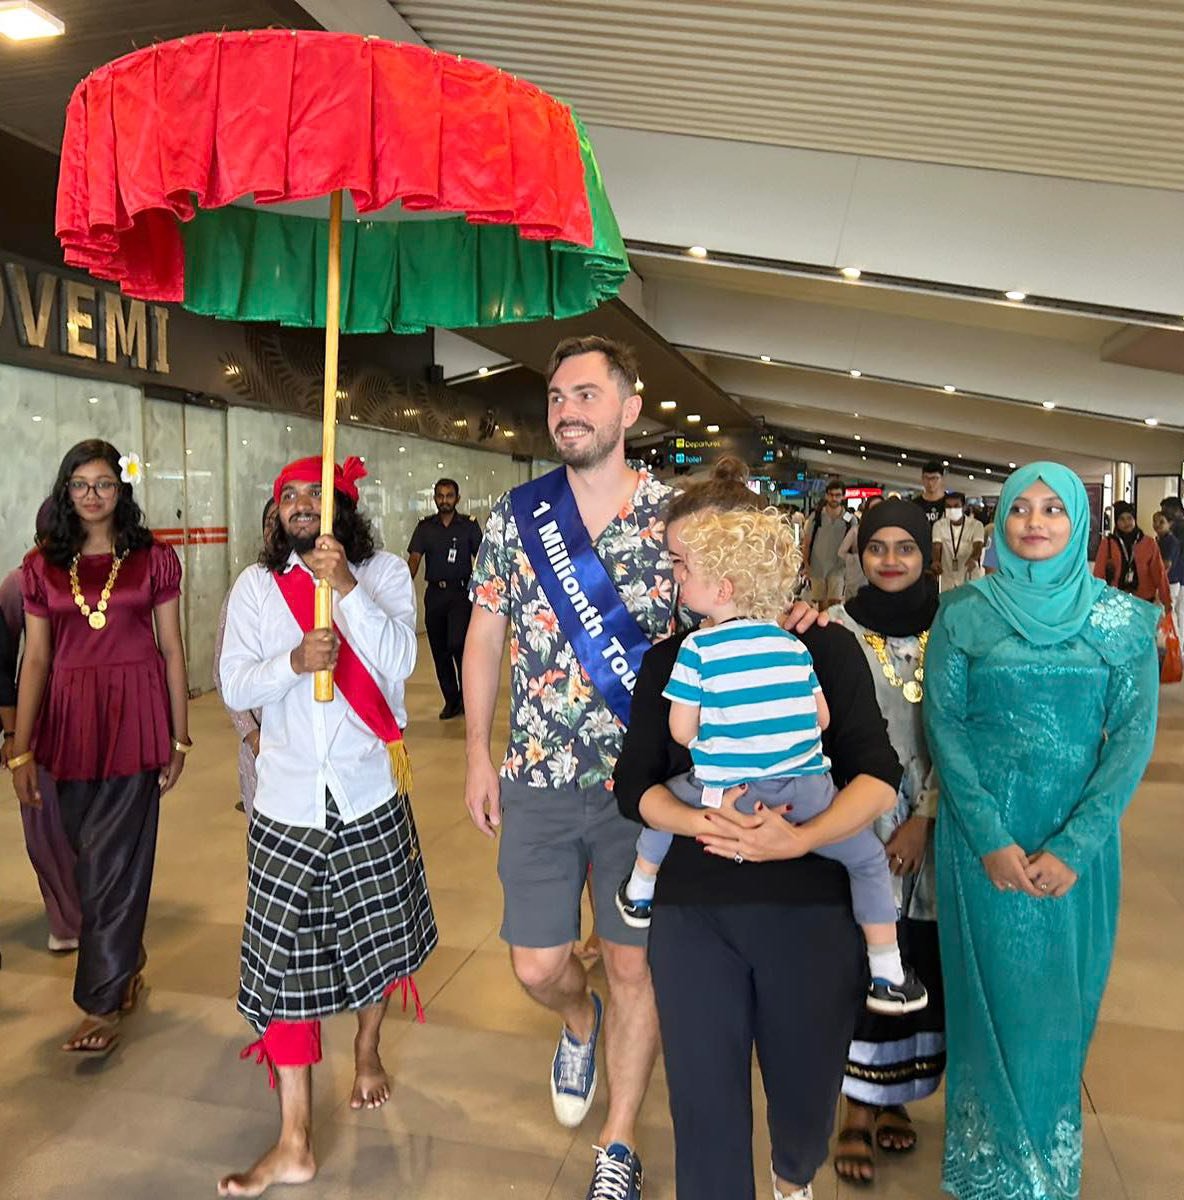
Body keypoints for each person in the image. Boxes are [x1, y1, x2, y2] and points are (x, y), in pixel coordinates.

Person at [612, 457, 903, 1200]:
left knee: (803, 1110)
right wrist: (699, 818)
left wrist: (800, 838)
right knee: (705, 1109)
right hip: (696, 909)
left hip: (810, 909)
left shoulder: (822, 647)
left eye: (687, 560)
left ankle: (793, 1176)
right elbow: (636, 788)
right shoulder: (673, 659)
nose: (675, 576)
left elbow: (877, 776)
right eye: (675, 560)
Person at [464, 335, 675, 1198]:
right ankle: (577, 1021)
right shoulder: (519, 516)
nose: (567, 411)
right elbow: (485, 635)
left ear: (629, 408)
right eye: (556, 397)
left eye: (586, 394)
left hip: (645, 790)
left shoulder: (674, 517)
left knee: (633, 965)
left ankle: (618, 1142)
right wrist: (476, 754)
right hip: (538, 777)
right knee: (538, 964)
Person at [924, 462, 1159, 1200]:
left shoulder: (1122, 621)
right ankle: (986, 1175)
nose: (1034, 521)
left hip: (1076, 850)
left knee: (1057, 1014)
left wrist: (1075, 846)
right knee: (988, 1008)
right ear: (1001, 521)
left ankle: (1043, 1180)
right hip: (980, 845)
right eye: (1021, 507)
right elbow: (944, 727)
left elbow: (1132, 740)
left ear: (1080, 523)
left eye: (1054, 509)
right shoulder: (963, 614)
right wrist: (990, 839)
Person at [216, 454, 436, 1197]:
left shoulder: (382, 574)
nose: (303, 505)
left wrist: (345, 590)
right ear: (276, 510)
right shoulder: (255, 588)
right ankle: (294, 1141)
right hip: (287, 804)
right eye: (290, 496)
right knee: (283, 968)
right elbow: (234, 682)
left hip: (367, 792)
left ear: (343, 504)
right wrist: (292, 660)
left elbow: (402, 660)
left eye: (317, 493)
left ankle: (368, 1048)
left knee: (376, 944)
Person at [615, 503, 925, 1016]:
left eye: (685, 568)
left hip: (726, 792)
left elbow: (681, 732)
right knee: (867, 859)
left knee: (665, 804)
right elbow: (821, 719)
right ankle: (888, 970)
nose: (677, 578)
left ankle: (640, 889)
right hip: (807, 793)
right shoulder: (796, 647)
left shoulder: (696, 649)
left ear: (723, 588)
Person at [9, 440, 189, 1054]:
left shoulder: (153, 559)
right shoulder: (41, 566)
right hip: (68, 723)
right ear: (66, 491)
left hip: (135, 717)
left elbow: (172, 648)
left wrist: (179, 735)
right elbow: (35, 659)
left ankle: (99, 1004)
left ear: (121, 489)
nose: (92, 495)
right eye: (81, 484)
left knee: (115, 859)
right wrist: (21, 749)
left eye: (104, 483)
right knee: (85, 860)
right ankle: (126, 960)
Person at [826, 500, 946, 1187]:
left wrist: (923, 817)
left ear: (926, 555)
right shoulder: (835, 628)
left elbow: (962, 730)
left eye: (906, 547)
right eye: (878, 547)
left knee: (918, 958)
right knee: (861, 959)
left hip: (935, 820)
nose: (891, 560)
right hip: (856, 822)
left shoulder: (951, 627)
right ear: (861, 552)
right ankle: (855, 1111)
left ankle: (896, 1094)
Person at [1, 511, 83, 954]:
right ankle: (66, 918)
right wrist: (13, 736)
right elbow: (5, 664)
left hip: (91, 721)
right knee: (44, 824)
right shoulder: (20, 583)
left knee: (89, 823)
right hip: (40, 724)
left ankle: (96, 912)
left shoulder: (100, 579)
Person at [213, 498, 277, 818]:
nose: (275, 529)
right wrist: (252, 735)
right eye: (269, 521)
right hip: (261, 744)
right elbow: (223, 673)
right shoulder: (249, 587)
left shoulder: (323, 588)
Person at [408, 478, 483, 719]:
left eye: (449, 496)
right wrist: (400, 584)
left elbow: (482, 559)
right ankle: (452, 701)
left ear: (457, 499)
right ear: (434, 499)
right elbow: (414, 559)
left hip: (461, 594)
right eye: (440, 496)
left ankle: (466, 696)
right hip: (435, 595)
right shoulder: (425, 527)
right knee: (440, 650)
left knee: (458, 644)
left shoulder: (469, 526)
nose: (444, 500)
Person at [1093, 501, 1171, 612]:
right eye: (1122, 519)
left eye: (1129, 518)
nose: (1126, 523)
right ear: (1116, 522)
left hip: (1144, 603)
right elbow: (1099, 573)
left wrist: (1166, 601)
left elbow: (1159, 574)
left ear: (1134, 519)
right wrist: (1096, 598)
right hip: (1116, 602)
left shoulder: (1149, 543)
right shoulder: (1108, 544)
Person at [803, 479, 854, 609]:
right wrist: (806, 565)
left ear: (843, 497)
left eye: (838, 495)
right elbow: (807, 542)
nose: (834, 498)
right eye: (831, 495)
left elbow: (854, 545)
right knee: (821, 604)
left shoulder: (849, 518)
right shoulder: (816, 517)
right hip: (817, 567)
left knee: (835, 603)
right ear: (826, 496)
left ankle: (832, 622)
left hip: (838, 567)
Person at [932, 491, 986, 591]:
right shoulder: (939, 525)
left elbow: (978, 545)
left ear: (964, 507)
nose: (952, 509)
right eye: (948, 506)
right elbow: (936, 545)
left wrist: (973, 558)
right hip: (947, 576)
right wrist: (936, 561)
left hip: (969, 574)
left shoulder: (976, 525)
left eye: (956, 506)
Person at [837, 494, 882, 599]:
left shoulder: (891, 532)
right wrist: (856, 559)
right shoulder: (856, 530)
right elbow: (841, 552)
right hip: (858, 580)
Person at [1153, 510, 1181, 629]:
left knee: (1168, 614)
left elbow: (1166, 564)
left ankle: (1173, 639)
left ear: (1170, 524)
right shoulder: (1158, 540)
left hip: (1169, 583)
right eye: (1154, 521)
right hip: (1162, 582)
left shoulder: (1171, 541)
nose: (1157, 525)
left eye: (1161, 522)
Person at [1162, 496, 1184, 634]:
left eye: (1166, 511)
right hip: (1177, 576)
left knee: (1177, 611)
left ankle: (1178, 642)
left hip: (1177, 576)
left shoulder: (1176, 530)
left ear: (1177, 510)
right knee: (1179, 612)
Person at [914, 461, 947, 528]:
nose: (930, 483)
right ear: (922, 478)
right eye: (926, 478)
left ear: (942, 479)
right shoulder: (915, 505)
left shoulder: (950, 503)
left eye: (934, 478)